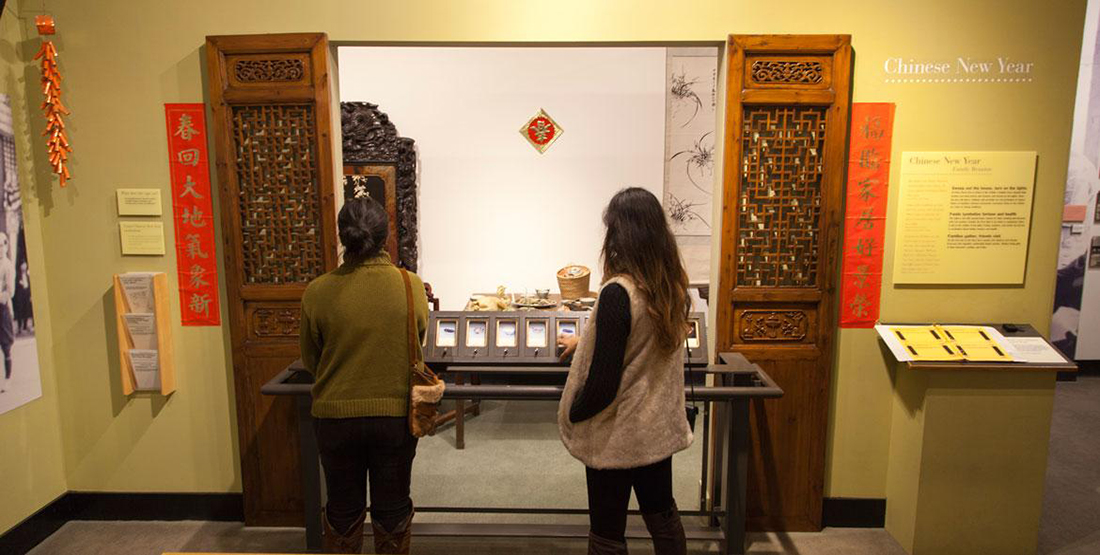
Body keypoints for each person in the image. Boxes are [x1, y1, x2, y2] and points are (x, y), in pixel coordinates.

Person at [558, 187, 694, 555]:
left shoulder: (618, 292)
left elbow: (603, 384)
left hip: (616, 432)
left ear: (620, 234)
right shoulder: (671, 287)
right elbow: (639, 344)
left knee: (607, 529)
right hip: (656, 428)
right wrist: (582, 343)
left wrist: (574, 411)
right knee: (661, 514)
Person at [299, 196, 428, 554]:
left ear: (343, 237)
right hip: (393, 418)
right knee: (392, 510)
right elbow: (418, 344)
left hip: (335, 419)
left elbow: (311, 360)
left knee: (342, 511)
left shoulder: (317, 291)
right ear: (386, 236)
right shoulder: (410, 284)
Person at [0, 232, 14, 394]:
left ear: (6, 246)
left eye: (2, 245)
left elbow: (9, 291)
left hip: (2, 309)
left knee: (6, 346)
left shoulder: (8, 266)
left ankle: (8, 379)